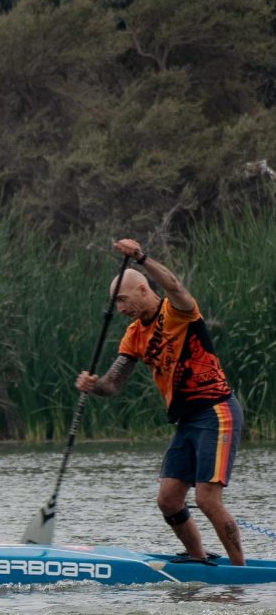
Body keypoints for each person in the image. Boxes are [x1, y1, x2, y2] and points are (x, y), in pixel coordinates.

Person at [75, 237, 244, 564]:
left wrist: (142, 258)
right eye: (116, 304)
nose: (121, 309)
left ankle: (240, 571)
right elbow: (113, 384)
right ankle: (199, 559)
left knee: (208, 499)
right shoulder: (134, 335)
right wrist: (94, 385)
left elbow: (175, 284)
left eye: (123, 300)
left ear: (142, 289)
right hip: (187, 421)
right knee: (168, 500)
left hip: (217, 411)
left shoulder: (179, 311)